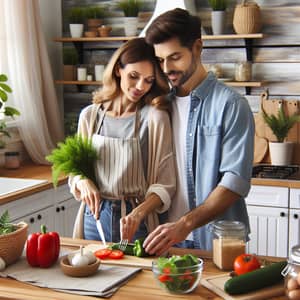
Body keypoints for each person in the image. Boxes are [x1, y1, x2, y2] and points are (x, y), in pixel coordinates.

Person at [143, 8, 255, 255]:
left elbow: (234, 183)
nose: (166, 68)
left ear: (197, 48)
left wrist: (184, 224)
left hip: (216, 239)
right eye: (160, 60)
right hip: (164, 237)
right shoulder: (160, 105)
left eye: (174, 57)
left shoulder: (231, 105)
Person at [69, 38, 176, 243]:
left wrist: (138, 214)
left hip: (136, 222)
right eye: (134, 76)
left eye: (149, 80)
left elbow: (166, 184)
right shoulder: (90, 116)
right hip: (94, 217)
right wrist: (83, 181)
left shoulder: (154, 118)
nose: (140, 86)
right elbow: (75, 169)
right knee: (93, 272)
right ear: (118, 70)